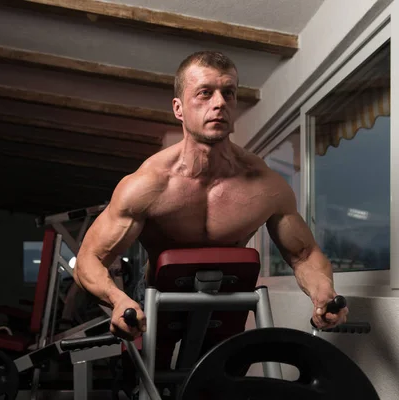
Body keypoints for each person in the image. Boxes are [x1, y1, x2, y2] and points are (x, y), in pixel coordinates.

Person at [74, 50, 349, 341]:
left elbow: (304, 254)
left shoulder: (264, 184)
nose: (219, 103)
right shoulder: (147, 185)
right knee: (147, 382)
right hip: (157, 298)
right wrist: (117, 299)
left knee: (221, 379)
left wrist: (324, 294)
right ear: (178, 109)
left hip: (227, 301)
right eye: (205, 93)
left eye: (228, 93)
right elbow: (88, 260)